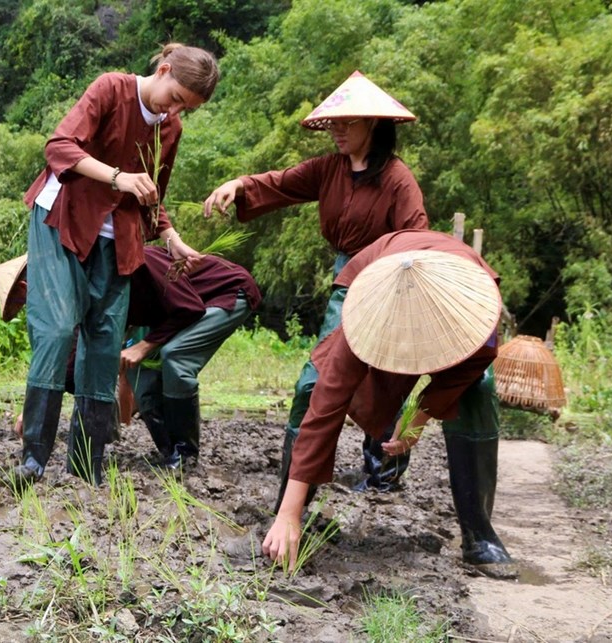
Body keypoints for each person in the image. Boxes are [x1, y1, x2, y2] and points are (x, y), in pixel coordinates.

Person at [202, 71, 429, 499]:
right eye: (334, 124)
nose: (337, 132)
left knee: (385, 377)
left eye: (347, 124)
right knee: (316, 378)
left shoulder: (399, 180)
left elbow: (417, 239)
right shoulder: (329, 170)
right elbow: (281, 182)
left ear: (373, 125)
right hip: (347, 281)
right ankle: (297, 479)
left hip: (389, 283)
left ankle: (383, 478)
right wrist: (238, 184)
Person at [7, 43, 220, 489]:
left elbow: (153, 192)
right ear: (162, 71)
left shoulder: (171, 127)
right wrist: (118, 177)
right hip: (63, 220)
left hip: (117, 239)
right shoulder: (112, 89)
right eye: (176, 97)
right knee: (59, 328)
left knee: (105, 347)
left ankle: (86, 466)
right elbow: (59, 147)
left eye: (186, 107)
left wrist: (171, 237)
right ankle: (33, 460)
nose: (175, 110)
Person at [261, 229, 516, 578]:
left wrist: (419, 416)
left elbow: (472, 365)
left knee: (480, 388)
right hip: (373, 277)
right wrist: (289, 513)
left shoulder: (475, 307)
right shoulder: (364, 316)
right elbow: (326, 405)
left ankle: (479, 535)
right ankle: (289, 512)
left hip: (447, 280)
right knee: (313, 382)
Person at [122, 246, 262, 468]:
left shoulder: (142, 260)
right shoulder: (100, 289)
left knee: (175, 355)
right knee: (139, 370)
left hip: (225, 292)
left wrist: (144, 346)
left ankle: (185, 453)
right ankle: (170, 452)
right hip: (175, 311)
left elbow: (189, 309)